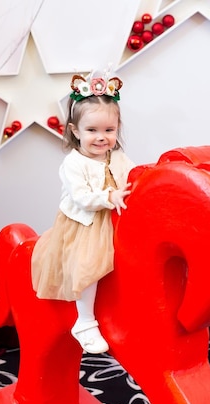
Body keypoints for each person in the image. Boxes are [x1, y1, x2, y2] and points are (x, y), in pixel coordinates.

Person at [31, 73, 136, 354]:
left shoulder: (119, 157)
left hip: (115, 219)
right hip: (85, 225)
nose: (101, 138)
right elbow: (82, 198)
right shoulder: (73, 164)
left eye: (109, 130)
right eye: (92, 130)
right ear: (75, 130)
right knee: (89, 266)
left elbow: (134, 178)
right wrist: (109, 196)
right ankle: (85, 322)